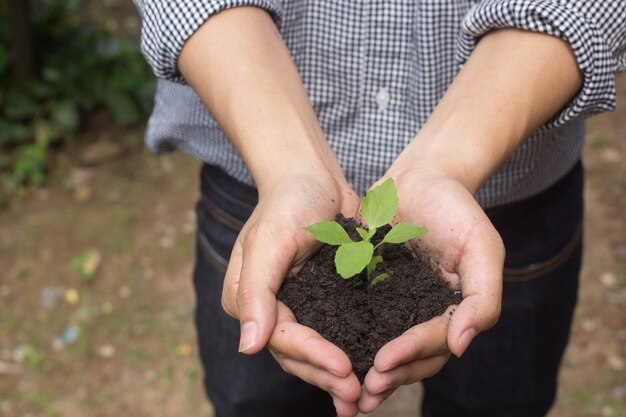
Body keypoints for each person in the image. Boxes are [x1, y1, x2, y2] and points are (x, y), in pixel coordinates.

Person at [132, 1, 625, 416]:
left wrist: (446, 165)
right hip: (260, 191)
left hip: (506, 200)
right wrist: (288, 166)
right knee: (257, 401)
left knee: (498, 399)